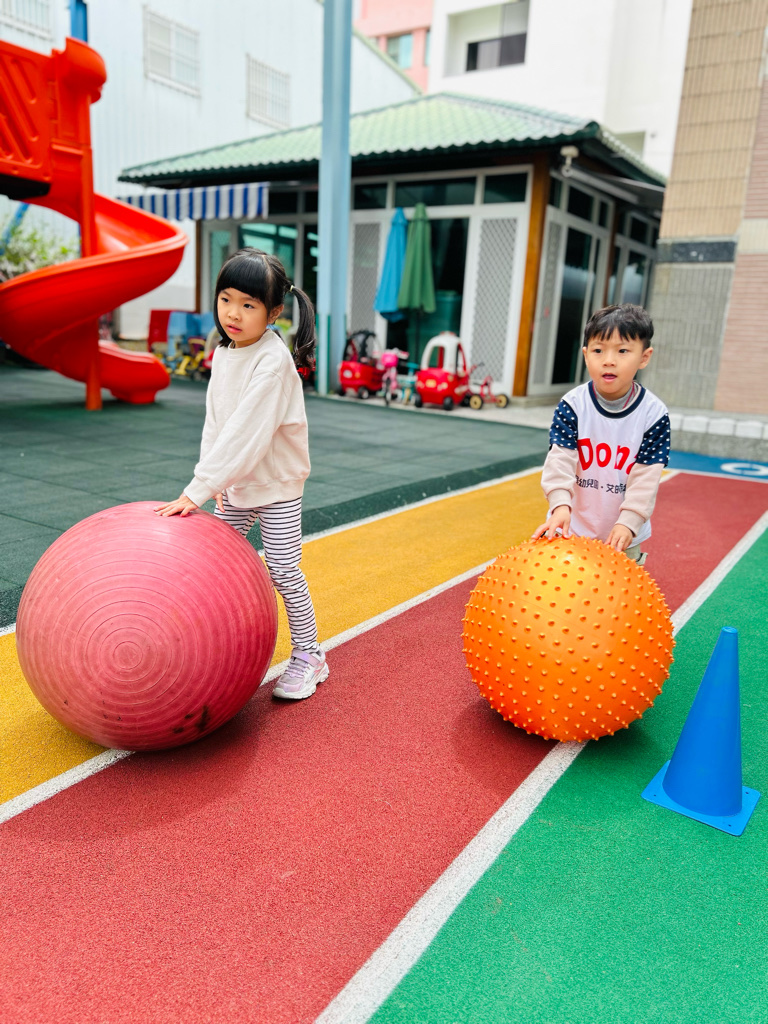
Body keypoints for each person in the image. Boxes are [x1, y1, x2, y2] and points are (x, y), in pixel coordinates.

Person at [155, 247, 327, 700]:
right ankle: (209, 644)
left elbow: (248, 432)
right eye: (226, 299)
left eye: (248, 305)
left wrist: (198, 489)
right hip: (238, 479)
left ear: (274, 313)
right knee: (214, 564)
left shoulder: (272, 362)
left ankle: (310, 654)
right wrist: (215, 482)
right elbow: (217, 425)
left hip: (277, 484)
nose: (233, 313)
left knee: (283, 569)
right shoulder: (225, 352)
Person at [532, 303, 670, 564]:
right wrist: (560, 505)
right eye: (598, 350)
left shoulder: (654, 414)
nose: (609, 360)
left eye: (622, 350)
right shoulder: (573, 404)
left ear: (644, 357)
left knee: (623, 589)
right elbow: (560, 460)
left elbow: (646, 477)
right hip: (571, 526)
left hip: (623, 534)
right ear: (586, 355)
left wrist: (629, 522)